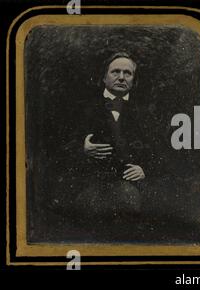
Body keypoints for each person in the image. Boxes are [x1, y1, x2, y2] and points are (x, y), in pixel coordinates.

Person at [55, 52, 151, 238]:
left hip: (132, 189)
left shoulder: (144, 112)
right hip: (88, 186)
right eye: (115, 72)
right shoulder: (82, 107)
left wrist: (144, 168)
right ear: (104, 77)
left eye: (127, 73)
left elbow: (159, 153)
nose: (121, 77)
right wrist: (82, 149)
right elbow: (56, 149)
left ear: (134, 80)